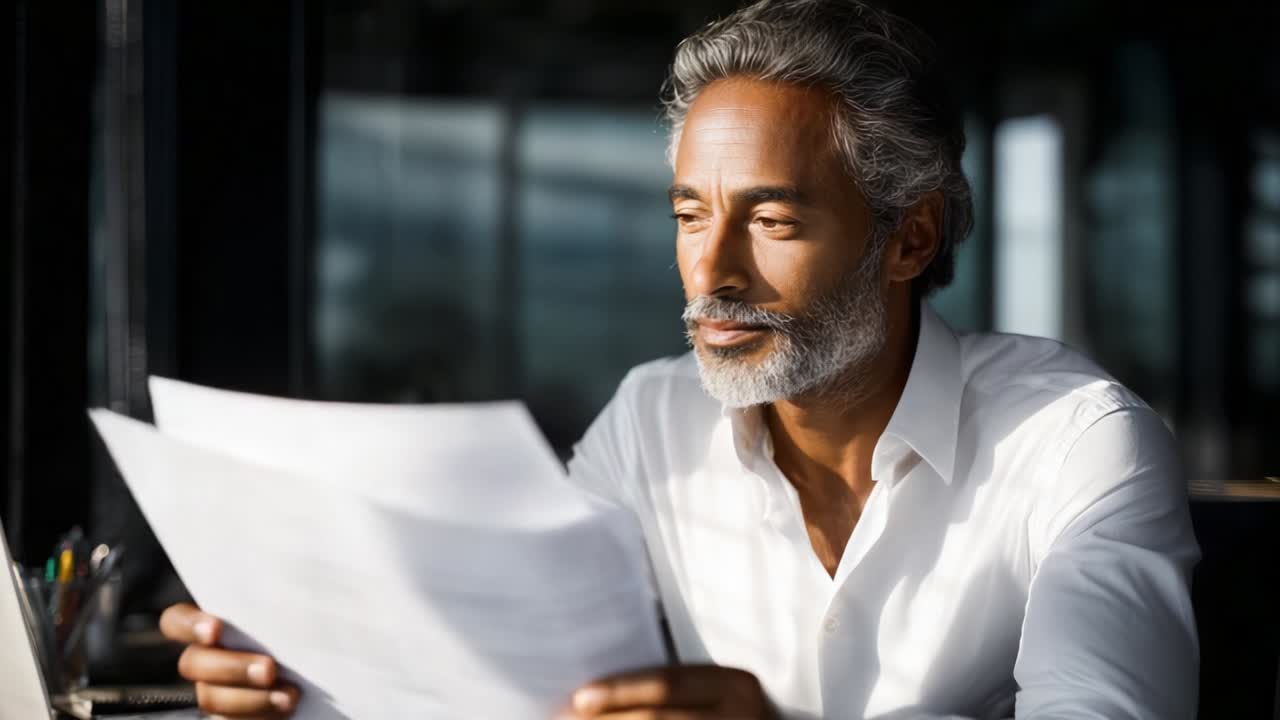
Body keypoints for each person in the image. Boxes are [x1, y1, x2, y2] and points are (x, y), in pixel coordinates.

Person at [158, 0, 1200, 717]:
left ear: (909, 239)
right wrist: (302, 683)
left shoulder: (1074, 444)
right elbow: (507, 673)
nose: (710, 271)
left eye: (771, 220)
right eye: (688, 213)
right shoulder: (651, 425)